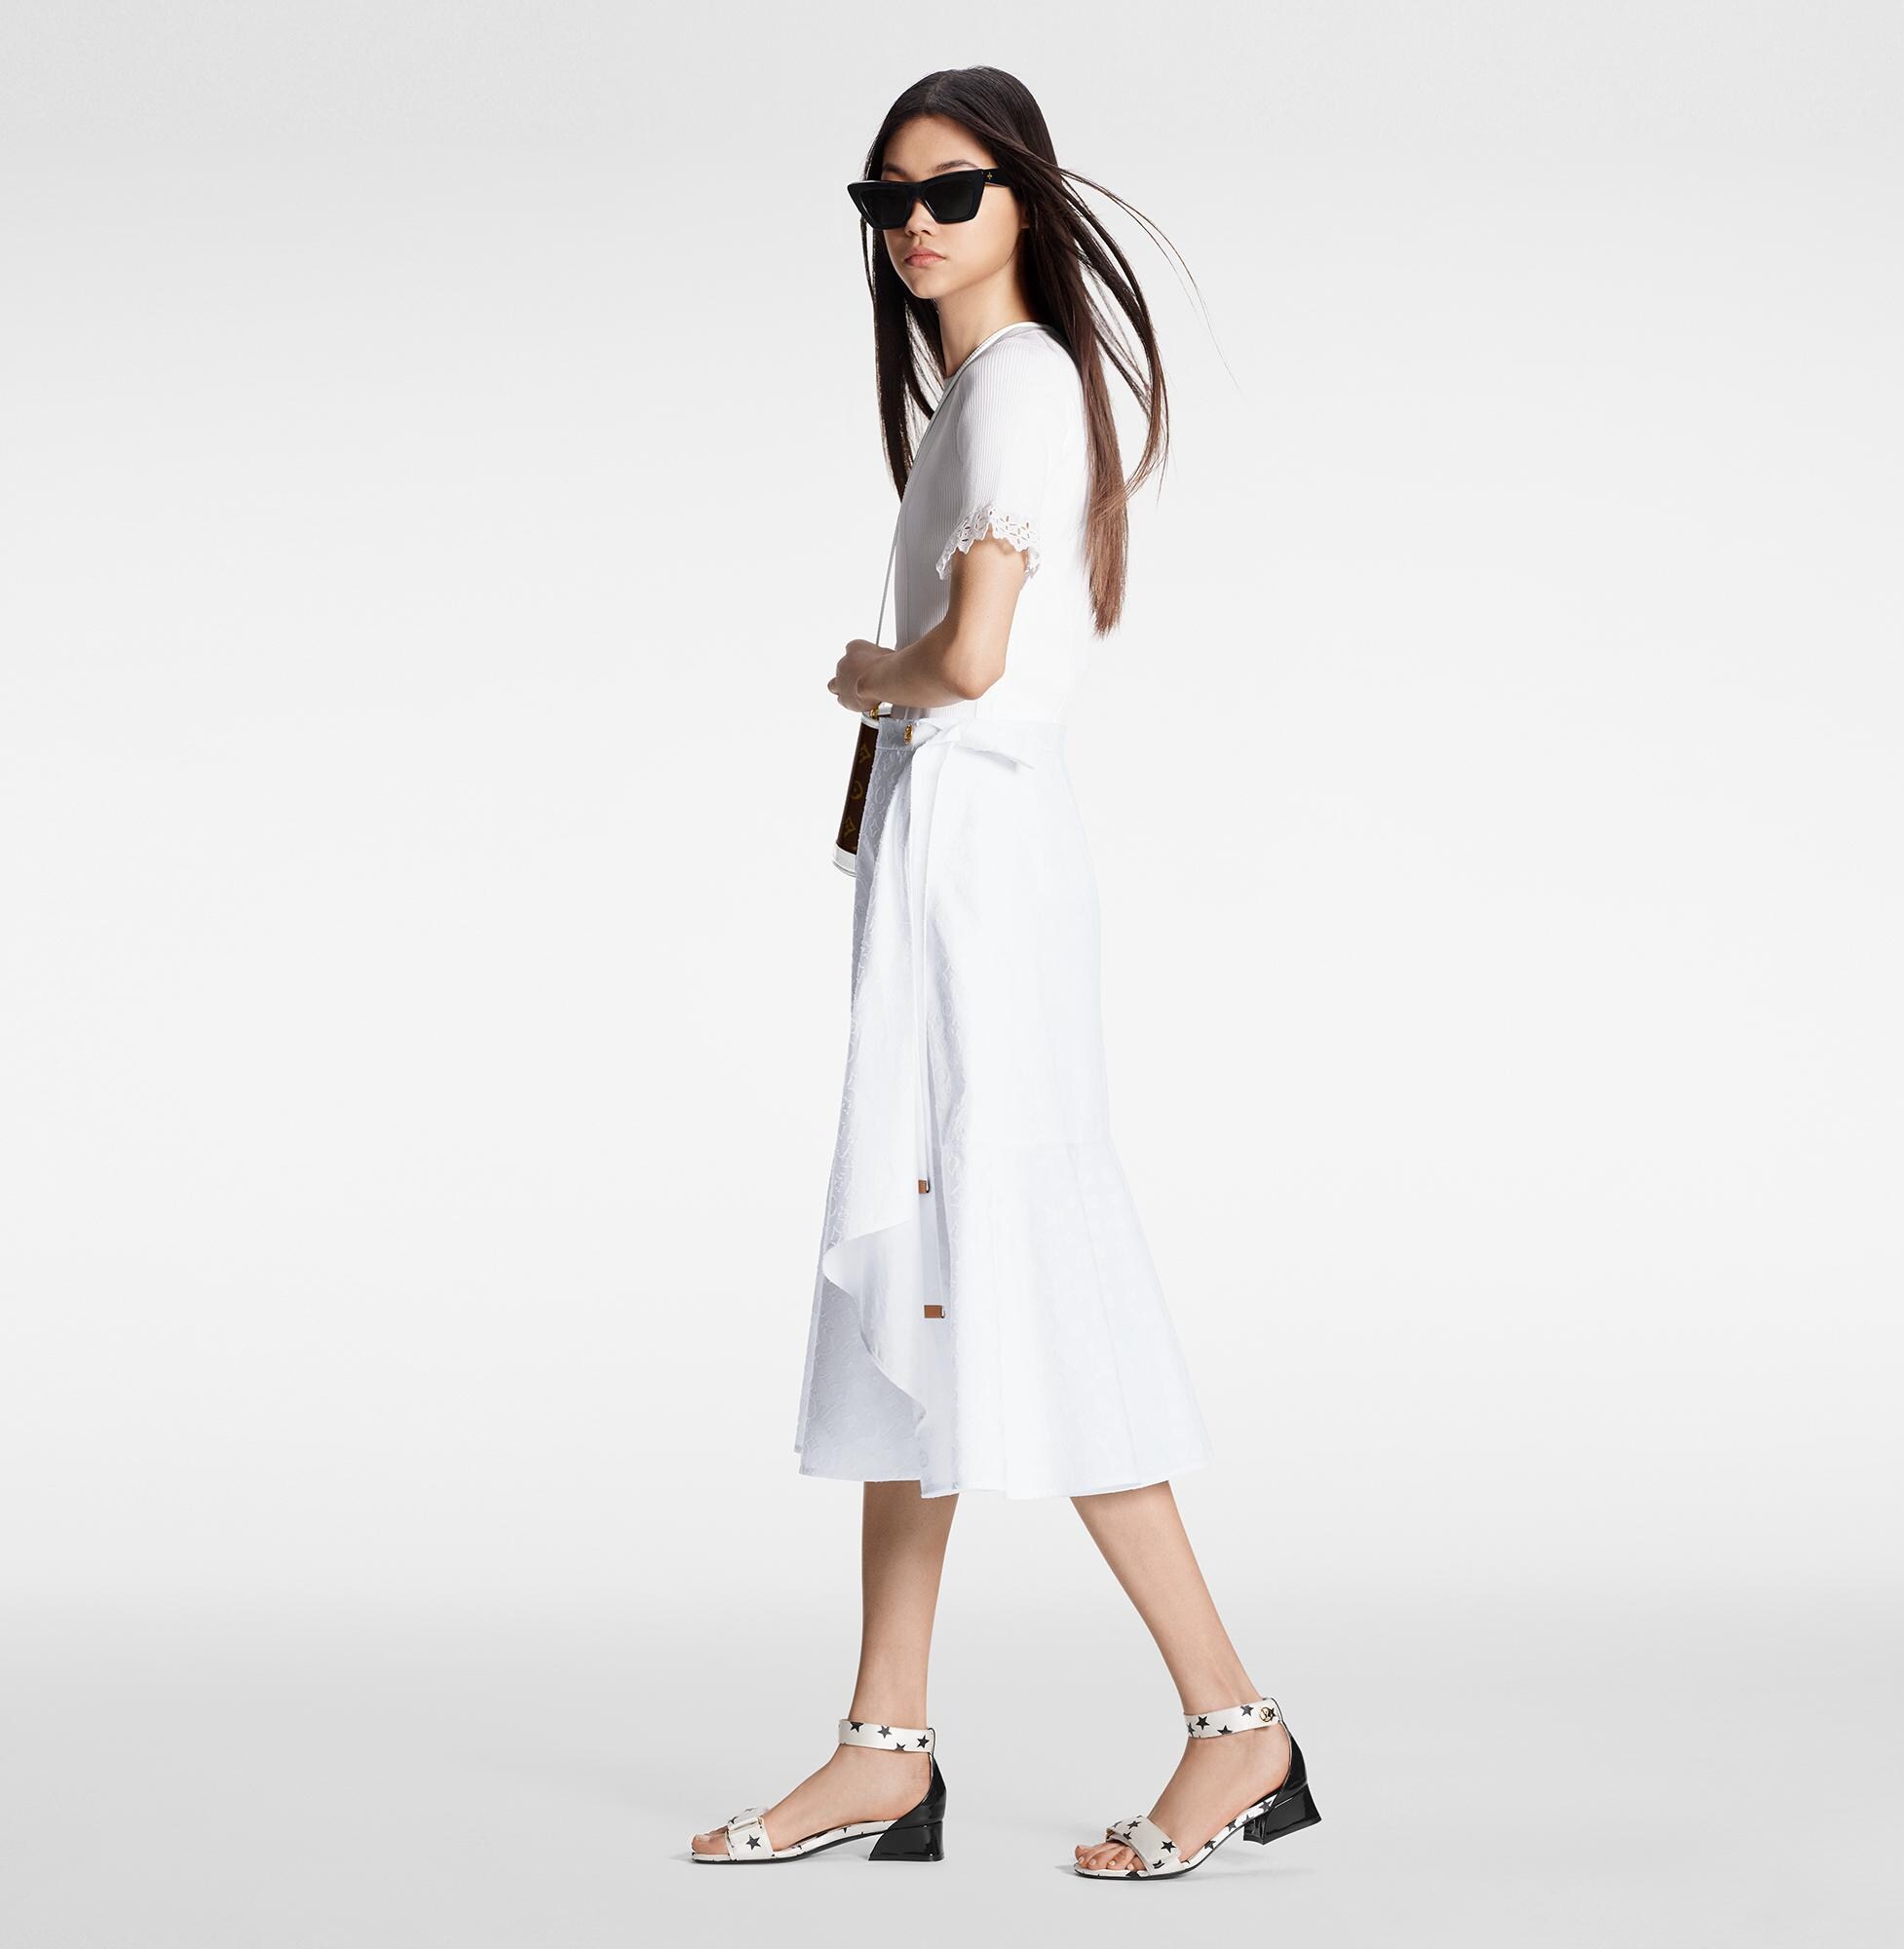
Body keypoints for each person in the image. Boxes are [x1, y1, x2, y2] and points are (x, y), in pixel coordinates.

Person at [690, 68, 1320, 1880]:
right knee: (925, 1280)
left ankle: (1234, 1721)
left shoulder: (1024, 383)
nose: (912, 226)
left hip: (983, 876)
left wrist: (870, 675)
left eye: (948, 192)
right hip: (951, 866)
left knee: (1023, 1267)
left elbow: (968, 660)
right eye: (884, 199)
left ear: (1022, 198)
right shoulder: (988, 393)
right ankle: (883, 1744)